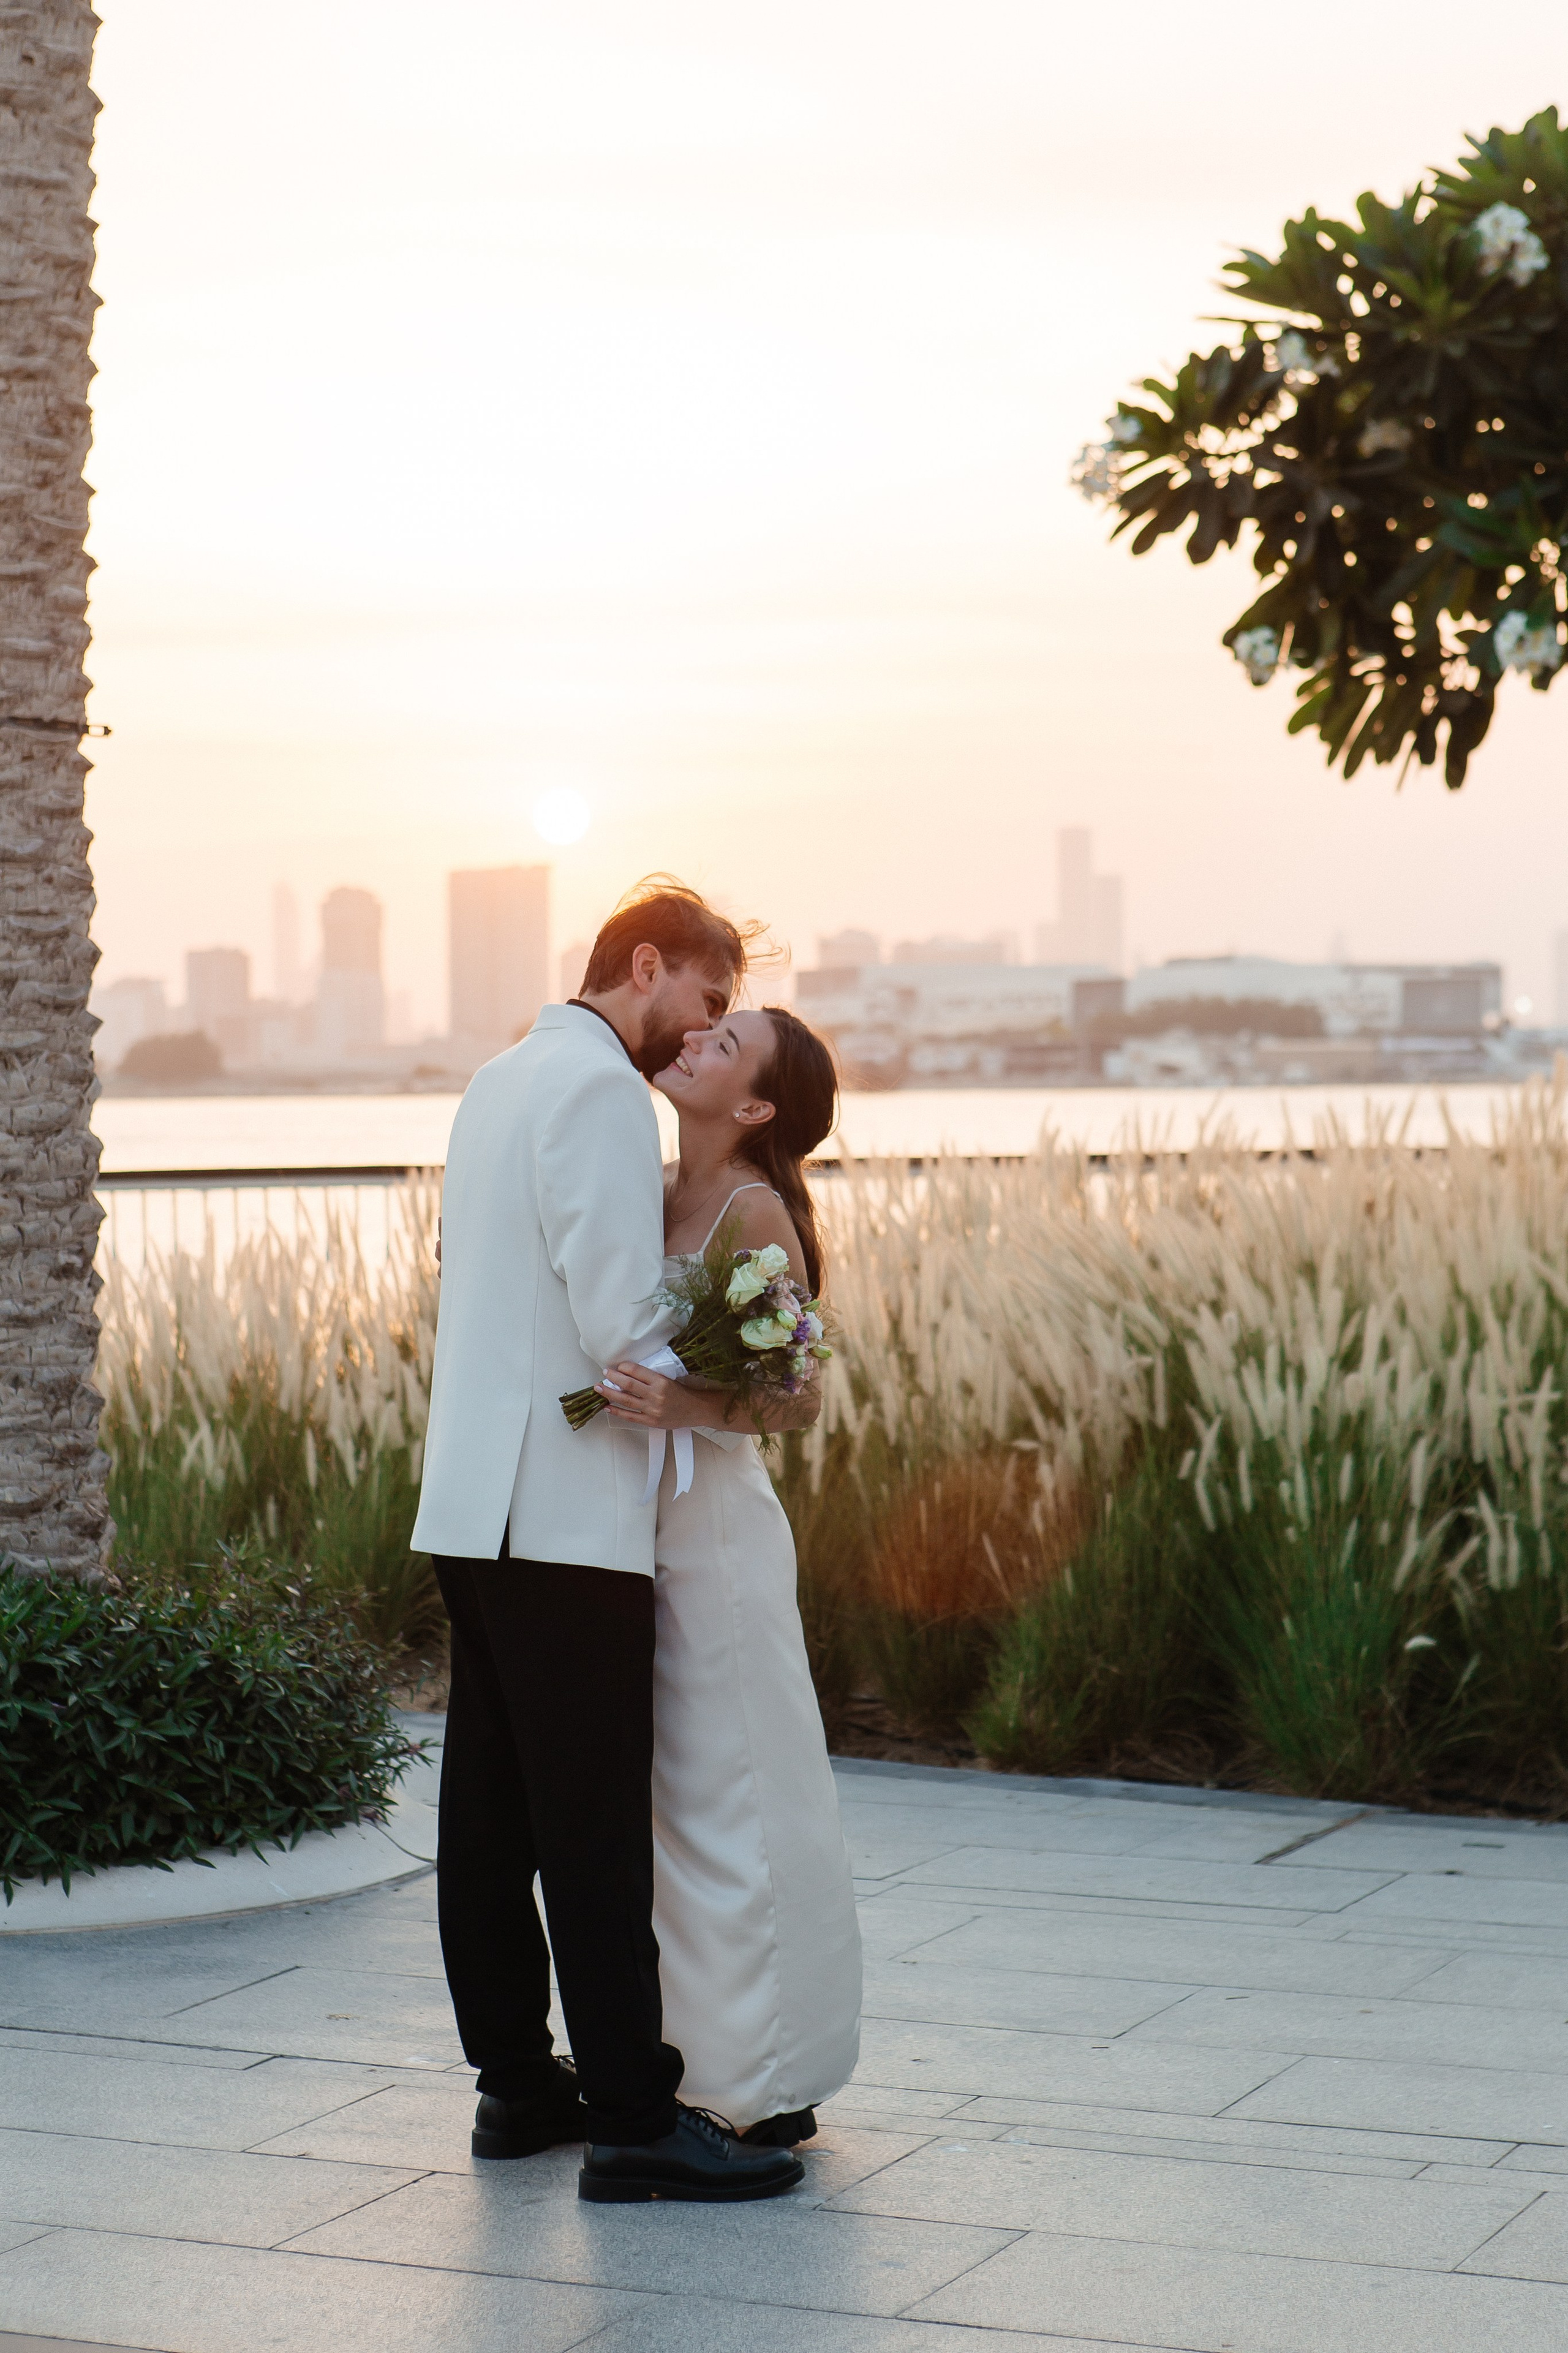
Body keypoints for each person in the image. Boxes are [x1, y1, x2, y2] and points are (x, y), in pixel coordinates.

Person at [412, 879, 806, 2204]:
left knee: (489, 1810)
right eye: (703, 999)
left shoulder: (496, 1077)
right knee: (588, 1827)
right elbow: (608, 1308)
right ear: (648, 964)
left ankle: (517, 2088)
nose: (696, 1030)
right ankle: (634, 2116)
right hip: (562, 1512)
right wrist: (694, 1378)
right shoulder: (590, 1089)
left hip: (472, 1498)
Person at [597, 1003, 862, 2146]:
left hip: (716, 1540)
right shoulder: (652, 1188)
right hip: (634, 1529)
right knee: (669, 1807)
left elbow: (797, 1397)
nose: (698, 1037)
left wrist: (690, 1401)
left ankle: (765, 2077)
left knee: (736, 1791)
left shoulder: (754, 1211)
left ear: (755, 1106)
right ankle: (695, 2053)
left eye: (726, 1043)